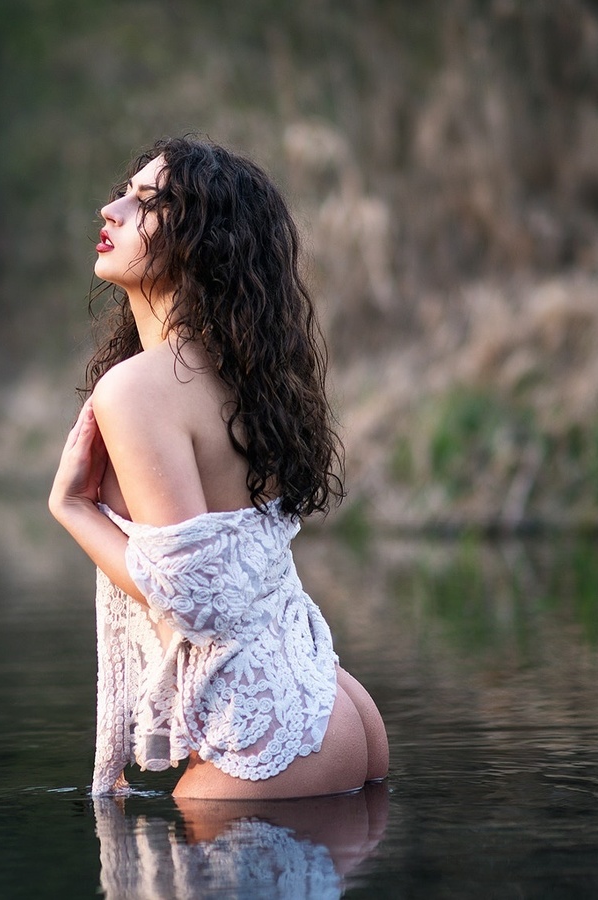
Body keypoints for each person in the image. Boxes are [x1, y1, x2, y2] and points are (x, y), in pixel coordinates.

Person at [48, 136, 389, 799]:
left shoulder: (137, 389)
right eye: (124, 192)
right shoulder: (239, 376)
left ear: (200, 239)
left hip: (271, 732)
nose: (109, 209)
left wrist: (73, 509)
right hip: (330, 696)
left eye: (144, 202)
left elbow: (193, 596)